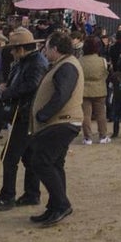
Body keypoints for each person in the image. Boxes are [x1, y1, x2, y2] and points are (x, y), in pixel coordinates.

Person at [0, 28, 47, 211]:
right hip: (23, 114)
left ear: (21, 48)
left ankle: (8, 196)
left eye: (13, 49)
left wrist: (7, 91)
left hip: (26, 115)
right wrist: (7, 86)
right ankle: (31, 194)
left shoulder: (35, 63)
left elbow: (32, 85)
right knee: (28, 156)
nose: (11, 52)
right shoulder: (27, 61)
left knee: (10, 156)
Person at [26, 29, 84, 227]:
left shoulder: (67, 66)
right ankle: (54, 206)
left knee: (41, 162)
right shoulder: (62, 64)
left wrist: (44, 114)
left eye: (47, 47)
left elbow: (62, 94)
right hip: (61, 121)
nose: (44, 51)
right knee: (54, 163)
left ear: (55, 48)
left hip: (62, 122)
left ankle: (61, 204)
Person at [78, 36, 110, 145]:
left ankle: (88, 137)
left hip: (84, 90)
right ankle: (103, 136)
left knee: (86, 115)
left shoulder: (80, 61)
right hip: (100, 90)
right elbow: (106, 73)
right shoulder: (102, 61)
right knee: (101, 114)